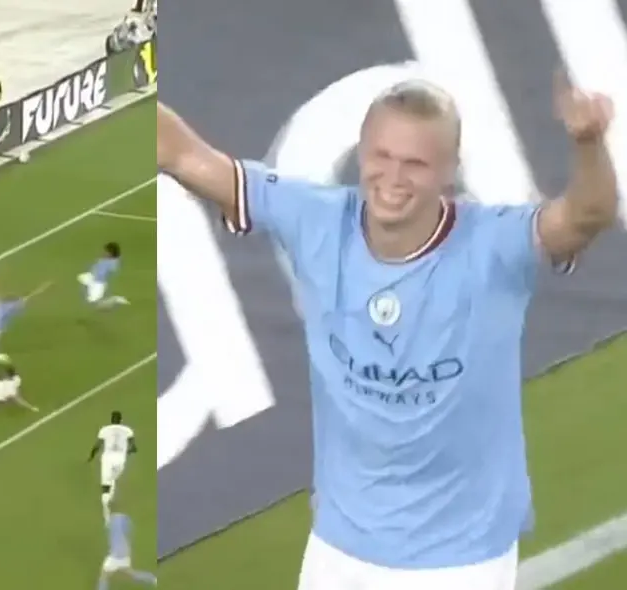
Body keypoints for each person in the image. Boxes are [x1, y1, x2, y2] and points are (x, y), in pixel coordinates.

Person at [156, 71, 617, 589]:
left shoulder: (495, 248)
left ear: (450, 170)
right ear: (361, 151)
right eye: (381, 156)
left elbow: (587, 215)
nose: (393, 177)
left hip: (463, 558)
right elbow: (184, 156)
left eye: (415, 163)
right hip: (341, 548)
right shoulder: (317, 218)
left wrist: (588, 142)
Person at [89, 410, 136, 523]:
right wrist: (128, 451)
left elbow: (97, 445)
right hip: (120, 459)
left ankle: (106, 512)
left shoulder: (104, 430)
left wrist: (91, 456)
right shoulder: (127, 431)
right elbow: (133, 447)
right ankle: (109, 496)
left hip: (107, 459)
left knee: (105, 485)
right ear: (121, 420)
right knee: (113, 479)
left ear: (111, 420)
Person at [97, 513, 157, 589]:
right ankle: (151, 578)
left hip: (116, 555)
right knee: (130, 574)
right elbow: (130, 532)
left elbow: (108, 533)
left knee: (104, 576)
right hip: (125, 553)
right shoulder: (126, 519)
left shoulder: (111, 521)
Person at [78, 242, 129, 308]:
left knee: (96, 304)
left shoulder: (113, 263)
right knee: (82, 278)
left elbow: (108, 271)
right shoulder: (105, 260)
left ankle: (115, 299)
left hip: (99, 283)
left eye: (106, 251)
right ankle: (89, 285)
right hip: (93, 278)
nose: (104, 252)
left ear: (111, 253)